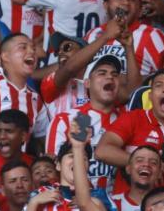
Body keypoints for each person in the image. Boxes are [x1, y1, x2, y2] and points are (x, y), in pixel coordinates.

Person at [96, 68, 164, 195]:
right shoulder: (132, 118)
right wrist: (144, 163)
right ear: (150, 96)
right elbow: (102, 151)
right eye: (159, 85)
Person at [45, 54, 124, 195]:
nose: (110, 77)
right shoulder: (66, 120)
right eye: (102, 73)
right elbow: (52, 170)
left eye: (115, 74)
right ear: (87, 83)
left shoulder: (127, 121)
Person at [111, 145, 162, 210]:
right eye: (139, 160)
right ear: (128, 169)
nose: (146, 164)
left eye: (153, 162)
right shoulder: (112, 204)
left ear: (160, 173)